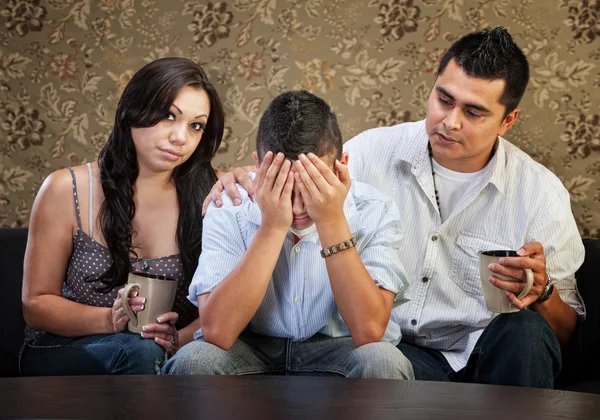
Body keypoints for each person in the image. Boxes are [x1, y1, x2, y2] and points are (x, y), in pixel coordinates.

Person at [205, 28, 585, 388]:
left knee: (528, 331)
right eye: (444, 99)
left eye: (473, 113)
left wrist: (544, 289)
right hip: (391, 347)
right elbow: (304, 170)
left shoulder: (541, 194)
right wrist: (243, 176)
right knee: (379, 359)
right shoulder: (370, 152)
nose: (450, 122)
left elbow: (565, 333)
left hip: (483, 355)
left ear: (508, 120)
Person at [162, 90, 413, 379]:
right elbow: (217, 332)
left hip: (339, 346)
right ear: (259, 166)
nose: (297, 207)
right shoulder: (229, 205)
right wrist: (272, 226)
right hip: (251, 346)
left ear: (342, 165)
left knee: (384, 362)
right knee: (194, 361)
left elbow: (369, 330)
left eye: (312, 186)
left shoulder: (375, 209)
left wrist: (331, 220)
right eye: (283, 186)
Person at [20, 57, 225, 375]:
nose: (181, 138)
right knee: (141, 352)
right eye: (169, 116)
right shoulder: (65, 188)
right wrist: (110, 320)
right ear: (133, 111)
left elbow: (228, 303)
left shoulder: (215, 193)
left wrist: (178, 338)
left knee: (157, 354)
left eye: (195, 125)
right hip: (63, 346)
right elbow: (36, 305)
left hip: (160, 354)